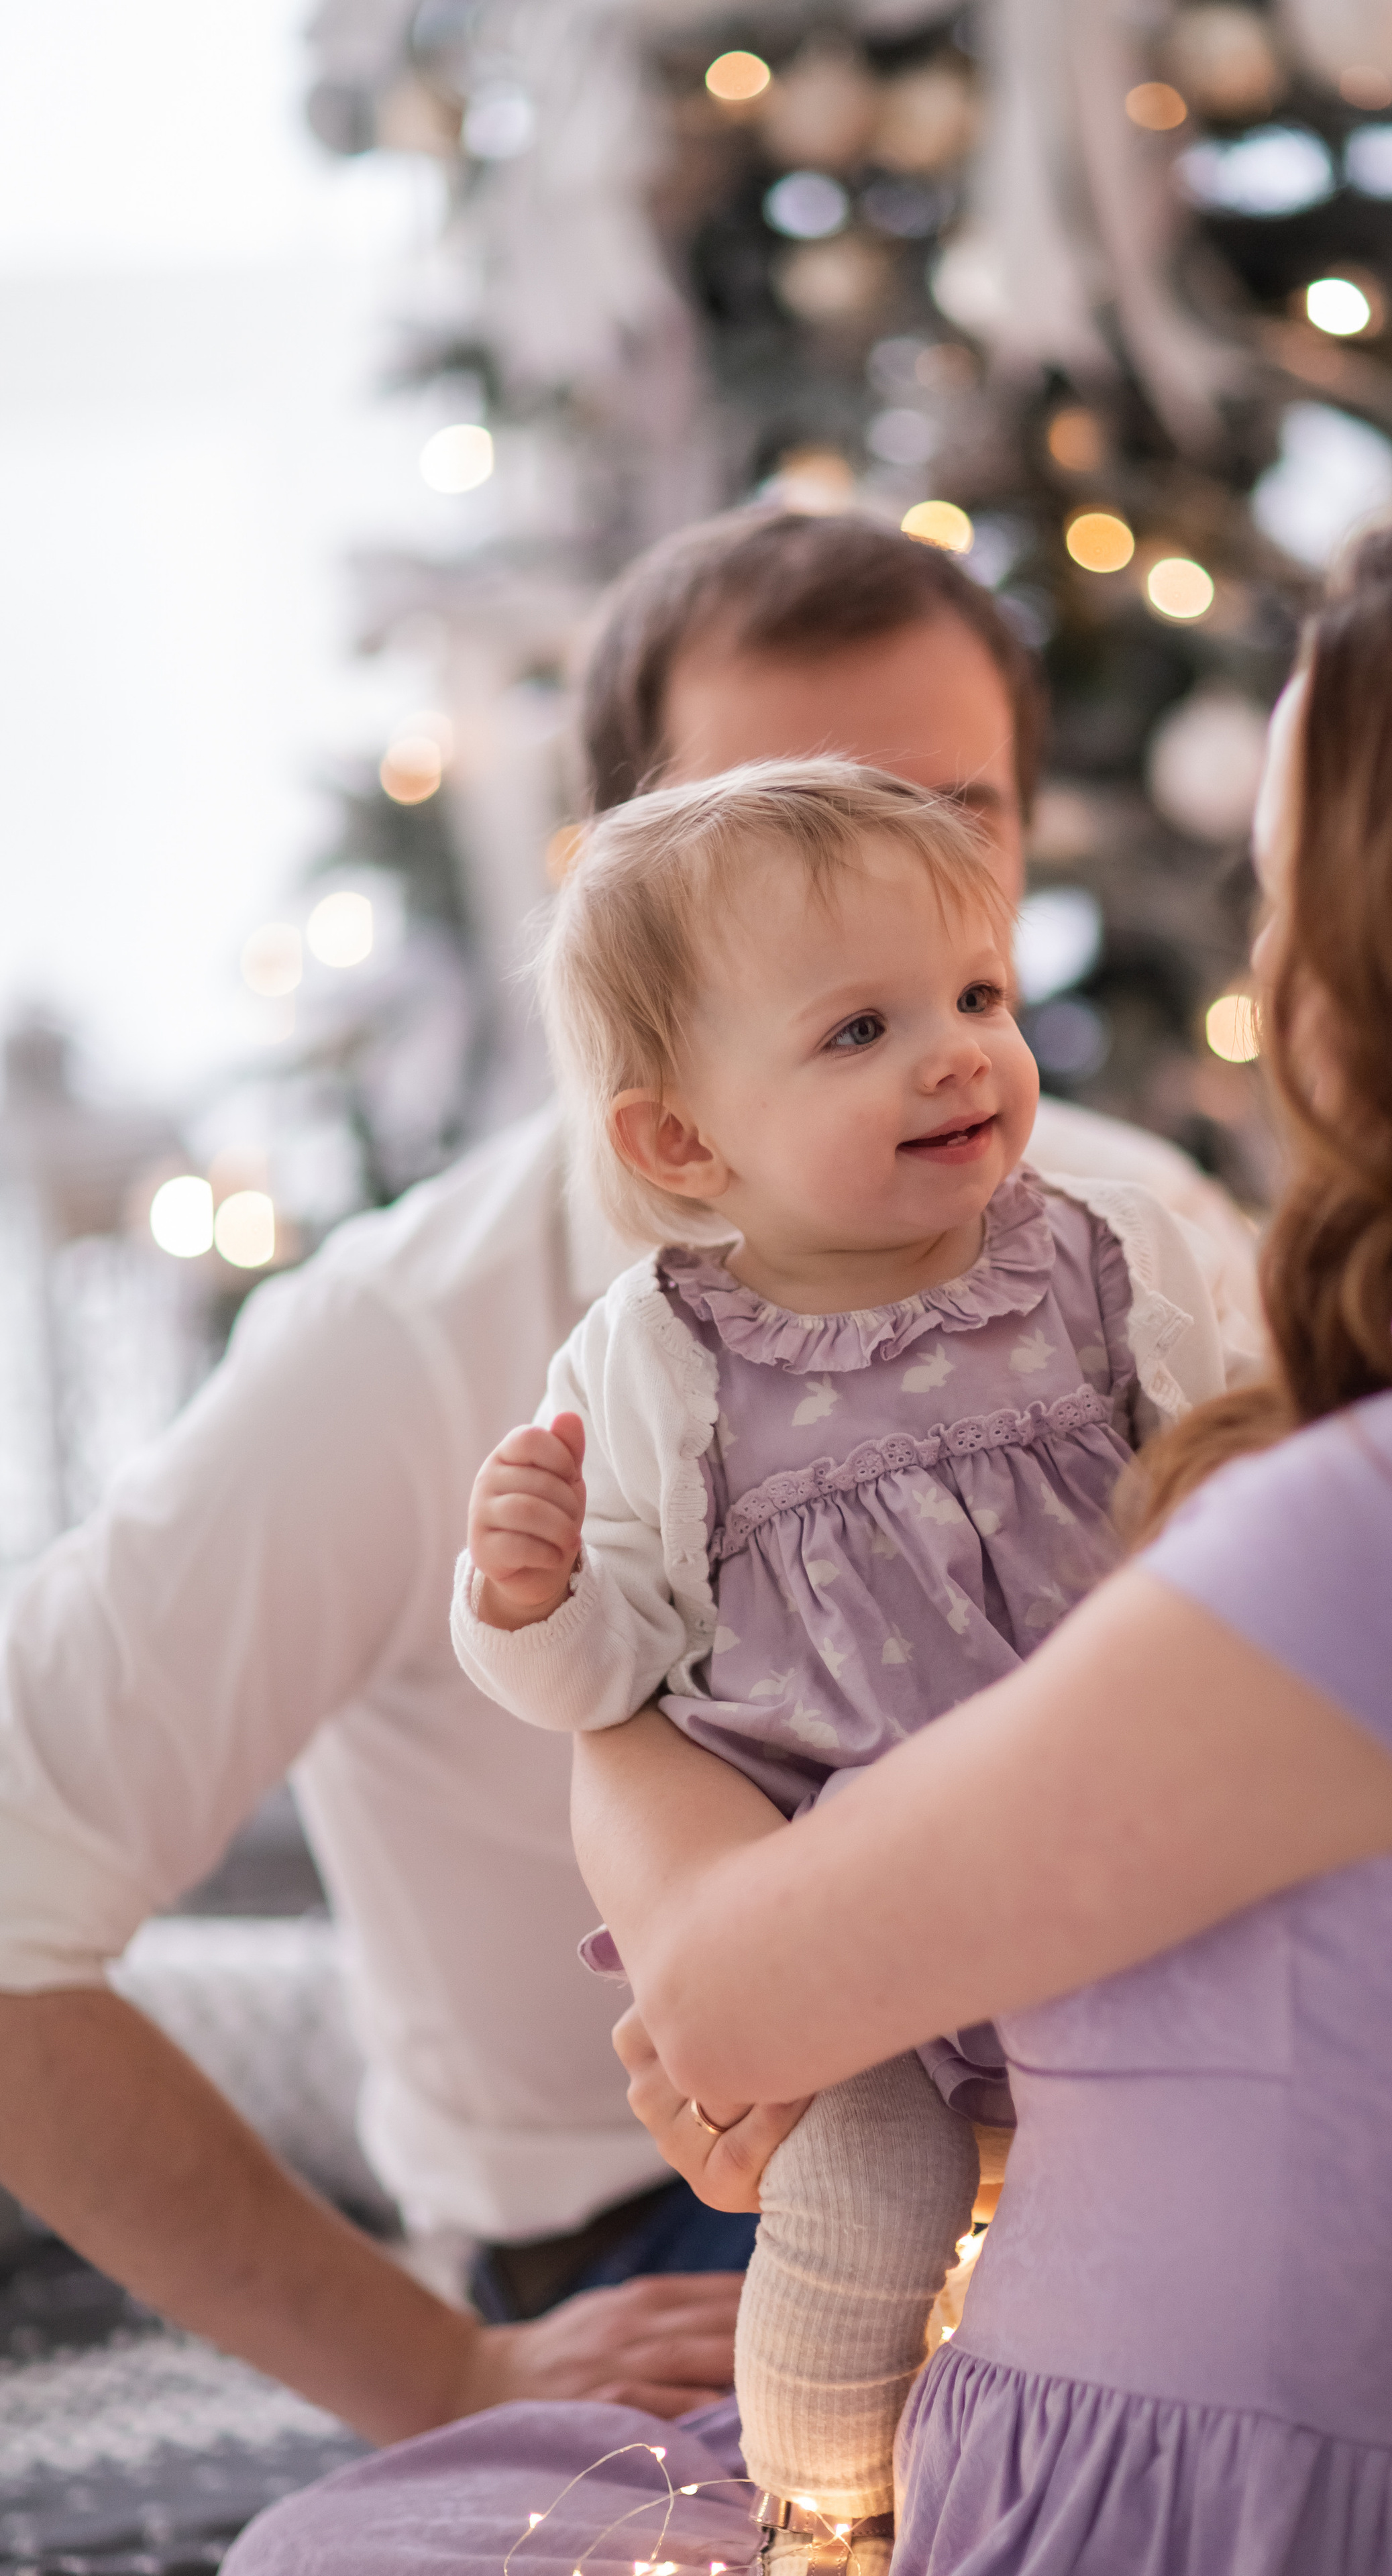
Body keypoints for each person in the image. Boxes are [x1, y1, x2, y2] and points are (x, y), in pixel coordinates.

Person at [227, 463, 1392, 2575]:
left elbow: (739, 1999)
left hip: (1212, 2512)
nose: (1269, 961)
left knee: (324, 2555)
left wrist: (632, 1706)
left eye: (1294, 895)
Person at [0, 506, 1259, 2446]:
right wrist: (431, 2372)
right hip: (670, 2216)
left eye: (955, 810)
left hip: (1145, 2086)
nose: (889, 878)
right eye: (784, 815)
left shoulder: (1129, 1233)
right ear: (620, 883)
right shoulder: (415, 1339)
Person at [454, 760, 1229, 2568]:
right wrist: (525, 1597)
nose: (960, 1054)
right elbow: (615, 1675)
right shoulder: (654, 1364)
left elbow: (1216, 1502)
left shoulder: (1103, 1264)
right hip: (839, 1906)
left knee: (1156, 2213)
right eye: (862, 1028)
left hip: (1110, 1854)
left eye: (978, 997)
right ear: (680, 1142)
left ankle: (1100, 2493)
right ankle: (825, 2509)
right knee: (861, 2210)